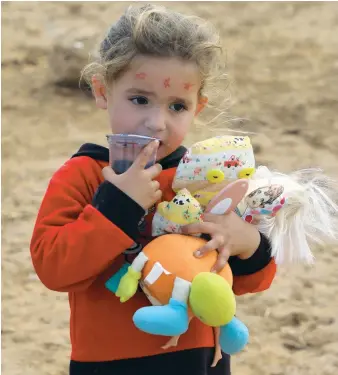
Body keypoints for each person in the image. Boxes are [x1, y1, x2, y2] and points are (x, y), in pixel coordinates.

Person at [30, 4, 276, 375]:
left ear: (197, 108)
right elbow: (53, 268)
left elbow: (247, 281)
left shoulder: (204, 177)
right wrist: (117, 206)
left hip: (201, 361)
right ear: (102, 90)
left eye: (177, 106)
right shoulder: (83, 175)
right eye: (139, 99)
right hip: (112, 363)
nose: (156, 122)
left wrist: (247, 243)